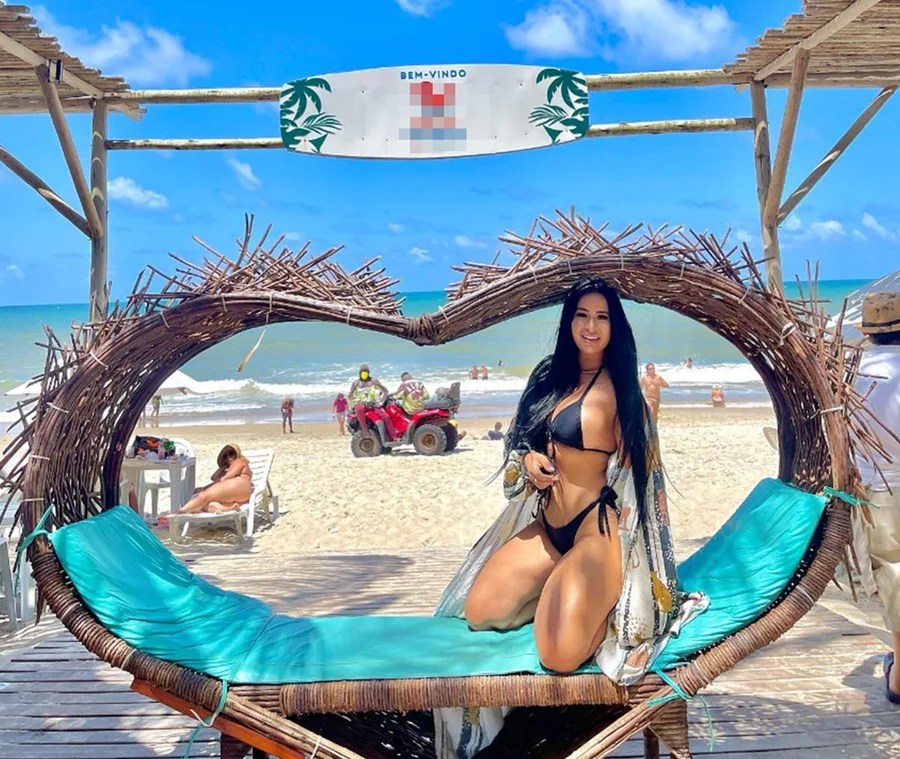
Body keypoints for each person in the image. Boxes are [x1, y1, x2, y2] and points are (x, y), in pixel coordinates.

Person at [434, 278, 702, 758]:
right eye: (582, 315)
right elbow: (519, 440)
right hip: (547, 527)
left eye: (602, 317)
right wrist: (528, 458)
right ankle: (563, 589)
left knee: (558, 654)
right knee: (482, 612)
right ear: (569, 321)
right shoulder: (549, 376)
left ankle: (597, 605)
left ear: (615, 327)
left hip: (592, 532)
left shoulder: (623, 389)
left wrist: (650, 415)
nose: (591, 326)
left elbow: (643, 473)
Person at [851, 292, 900, 705]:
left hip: (879, 490)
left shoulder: (851, 376)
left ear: (867, 333)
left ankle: (899, 676)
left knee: (895, 578)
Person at [160, 444, 252, 520]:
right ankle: (230, 508)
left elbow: (225, 479)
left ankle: (178, 513)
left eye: (231, 453)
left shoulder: (239, 462)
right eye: (225, 456)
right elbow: (214, 477)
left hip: (240, 484)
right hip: (240, 492)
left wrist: (205, 489)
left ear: (236, 454)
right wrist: (223, 466)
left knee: (203, 496)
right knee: (207, 505)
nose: (228, 457)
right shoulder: (229, 468)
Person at [348, 364, 395, 440]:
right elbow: (350, 396)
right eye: (362, 373)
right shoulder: (356, 383)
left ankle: (392, 435)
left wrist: (380, 402)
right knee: (359, 409)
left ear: (368, 373)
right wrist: (358, 401)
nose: (364, 374)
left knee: (386, 417)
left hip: (373, 405)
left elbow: (385, 391)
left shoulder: (374, 381)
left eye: (366, 372)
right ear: (360, 373)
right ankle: (364, 428)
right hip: (361, 405)